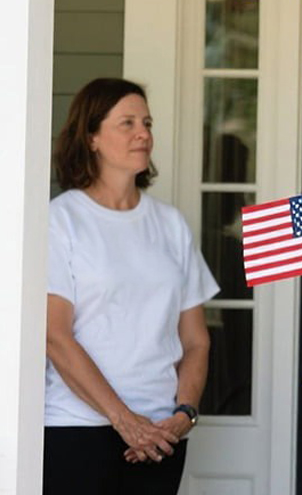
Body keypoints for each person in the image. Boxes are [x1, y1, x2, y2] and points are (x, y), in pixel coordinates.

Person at [45, 78, 219, 494]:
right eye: (127, 123)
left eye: (147, 122)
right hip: (79, 429)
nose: (143, 133)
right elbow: (54, 336)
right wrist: (124, 420)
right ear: (91, 138)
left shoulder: (170, 224)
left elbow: (196, 342)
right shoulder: (62, 219)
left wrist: (184, 415)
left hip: (161, 434)